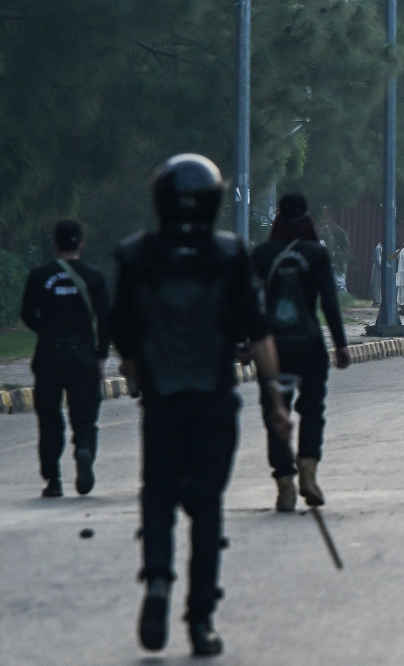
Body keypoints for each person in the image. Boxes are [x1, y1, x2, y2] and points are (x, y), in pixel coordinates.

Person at [111, 154, 292, 656]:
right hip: (213, 401)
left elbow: (121, 329)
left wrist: (134, 368)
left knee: (159, 497)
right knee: (207, 506)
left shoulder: (136, 256)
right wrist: (273, 401)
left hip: (162, 404)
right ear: (213, 202)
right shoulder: (230, 255)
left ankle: (158, 581)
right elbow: (258, 333)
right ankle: (200, 620)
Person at [251, 193, 351, 512]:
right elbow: (329, 303)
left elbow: (248, 303)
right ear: (307, 217)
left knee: (274, 412)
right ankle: (308, 471)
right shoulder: (316, 254)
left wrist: (244, 343)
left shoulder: (262, 254)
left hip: (272, 347)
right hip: (308, 345)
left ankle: (285, 487)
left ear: (279, 216)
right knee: (312, 409)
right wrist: (340, 344)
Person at [20, 219, 110, 498]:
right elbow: (106, 319)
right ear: (81, 244)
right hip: (82, 355)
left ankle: (54, 479)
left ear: (55, 244)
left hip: (49, 355)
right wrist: (101, 355)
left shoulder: (39, 275)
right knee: (85, 415)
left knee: (49, 420)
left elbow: (27, 314)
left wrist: (47, 331)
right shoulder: (94, 277)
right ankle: (83, 447)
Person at [371, 242, 382, 306]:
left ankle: (380, 301)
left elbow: (391, 257)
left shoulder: (385, 248)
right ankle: (377, 301)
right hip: (378, 269)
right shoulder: (378, 248)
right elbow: (378, 260)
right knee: (377, 285)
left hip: (383, 269)